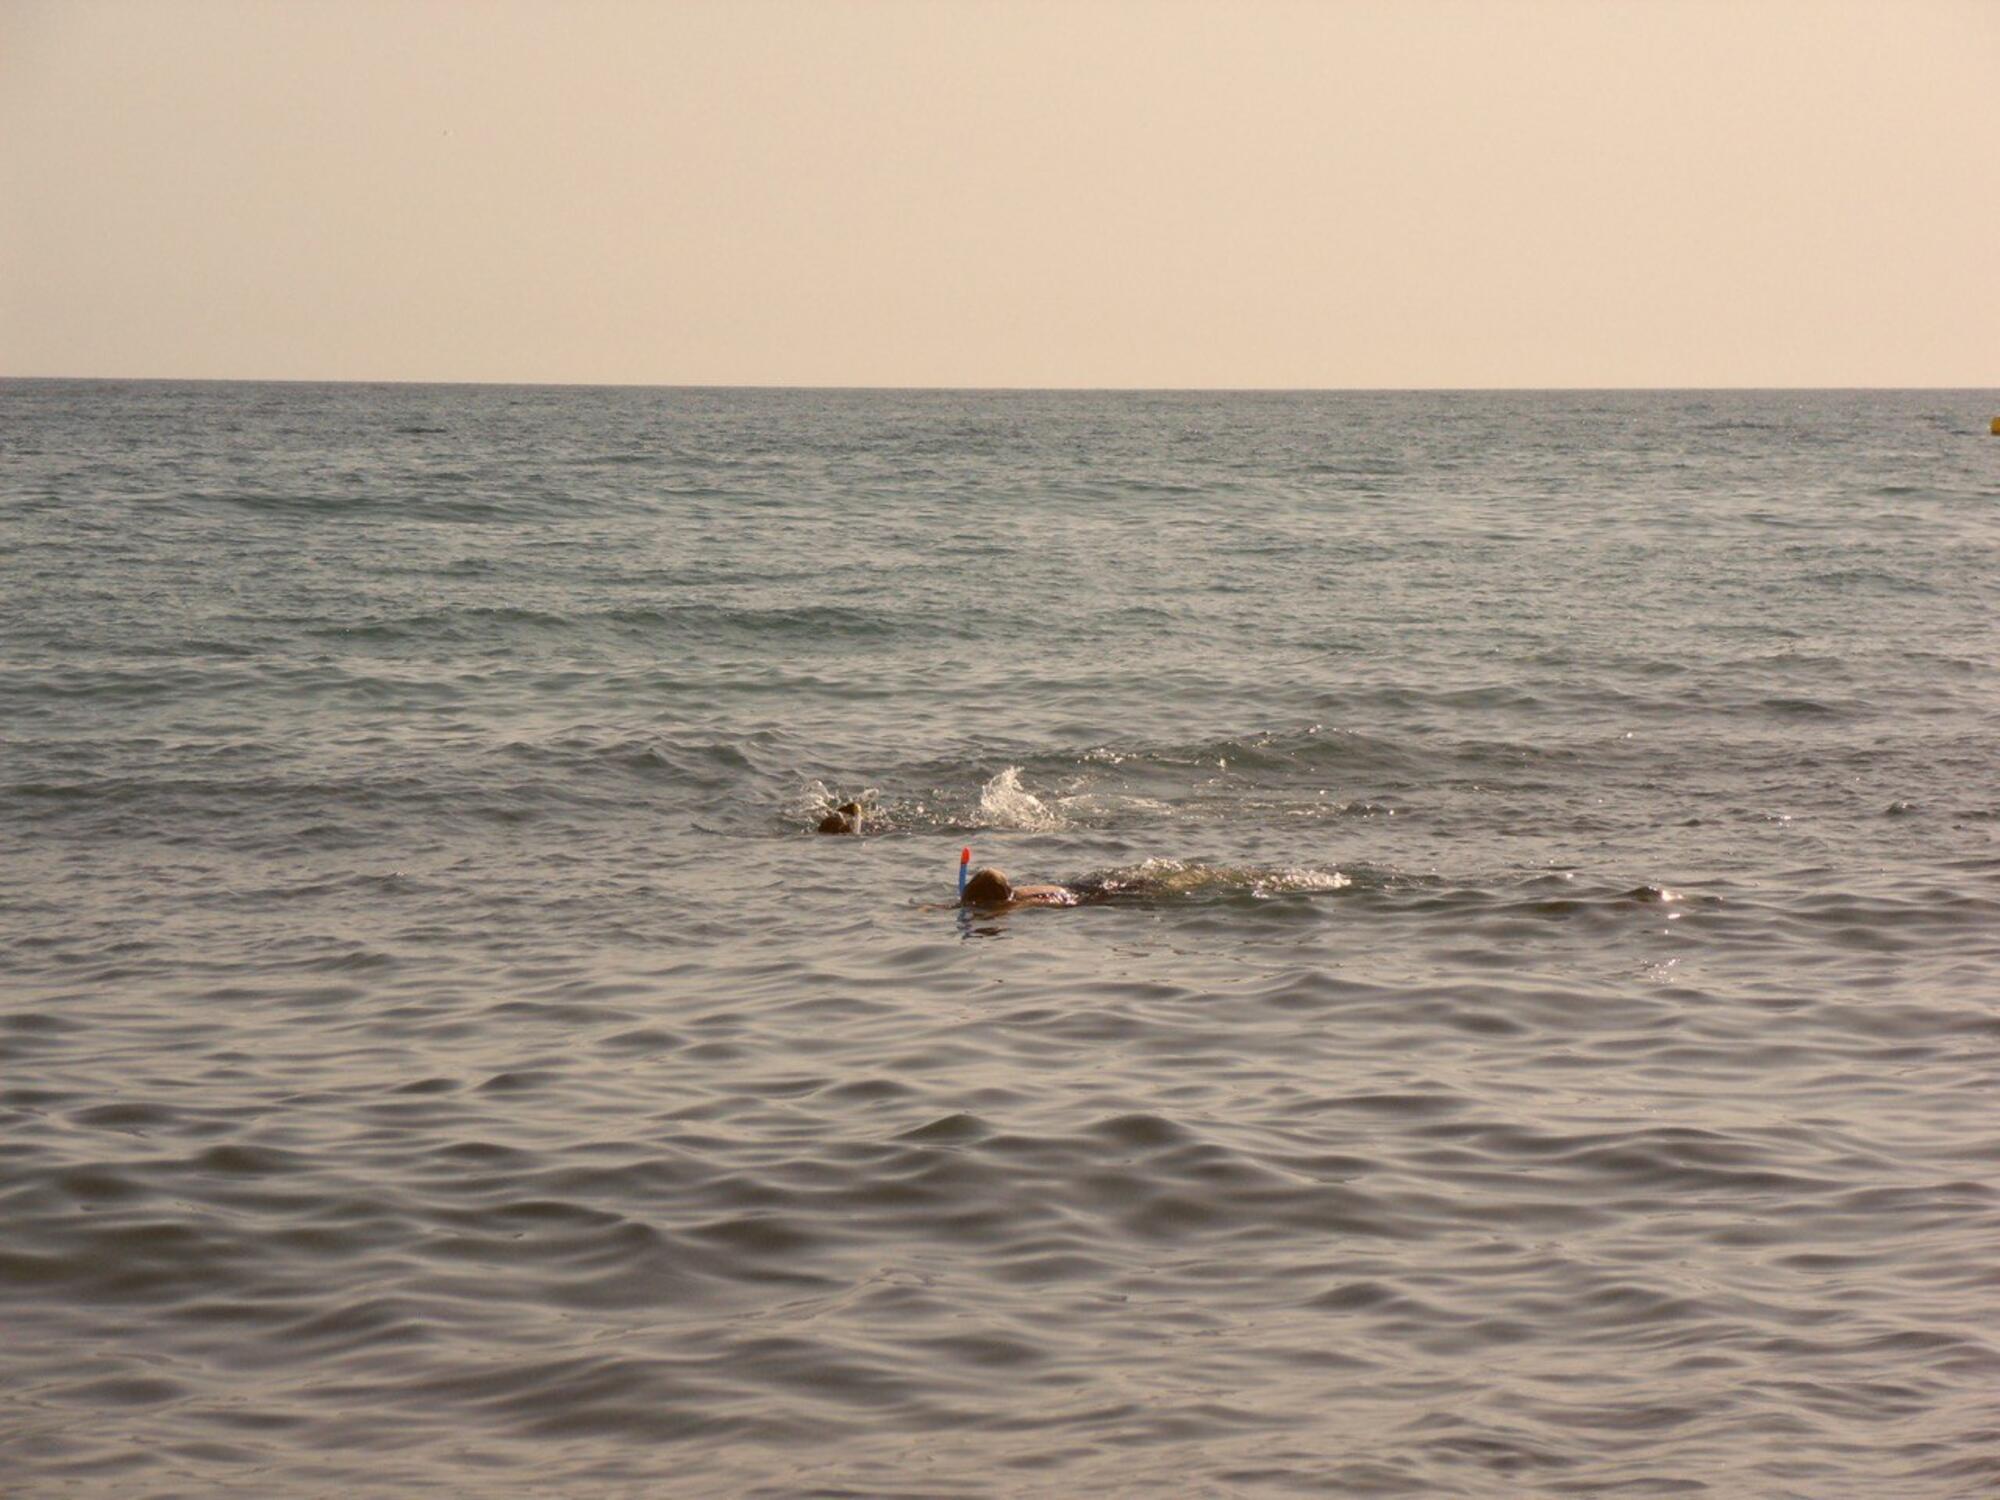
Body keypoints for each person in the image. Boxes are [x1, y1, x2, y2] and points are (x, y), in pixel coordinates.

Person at [960, 866, 1085, 909]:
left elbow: (1064, 903)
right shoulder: (1007, 897)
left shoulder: (1017, 904)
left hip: (1076, 893)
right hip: (1068, 888)